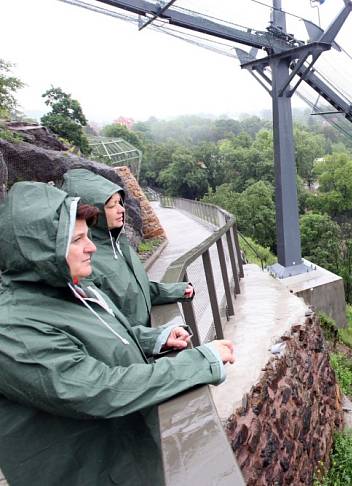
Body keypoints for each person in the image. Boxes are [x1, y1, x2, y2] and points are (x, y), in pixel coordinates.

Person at [0, 182, 235, 486]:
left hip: (125, 456)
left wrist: (155, 339)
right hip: (88, 471)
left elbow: (104, 334)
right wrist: (199, 362)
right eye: (78, 239)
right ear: (39, 251)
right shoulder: (12, 327)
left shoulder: (70, 287)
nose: (91, 247)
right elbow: (95, 388)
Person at [62, 169, 193, 329]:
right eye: (111, 206)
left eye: (120, 203)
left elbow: (137, 290)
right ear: (93, 212)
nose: (121, 209)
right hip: (139, 348)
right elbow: (106, 328)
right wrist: (154, 340)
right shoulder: (85, 260)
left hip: (147, 337)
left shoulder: (118, 244)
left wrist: (176, 290)